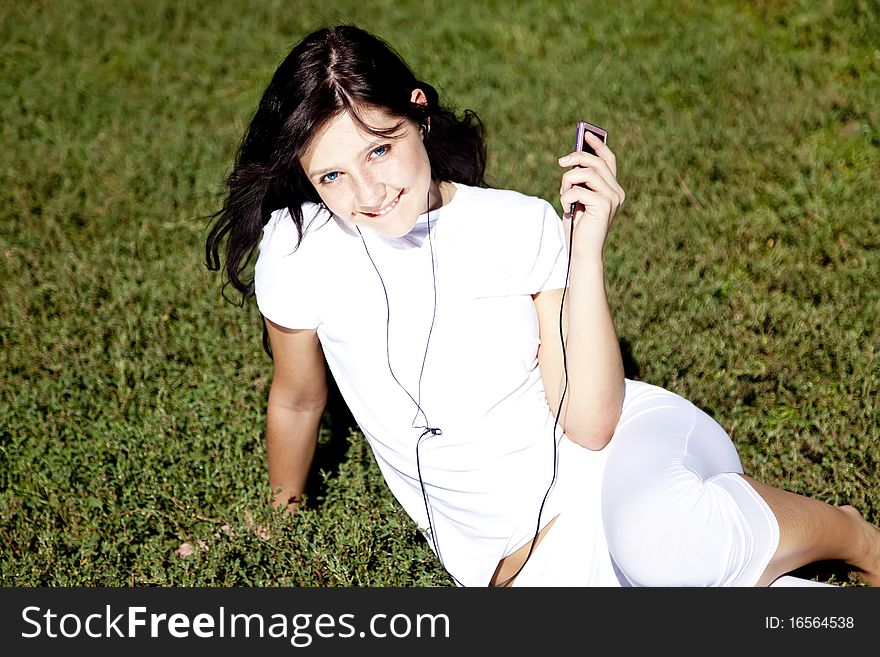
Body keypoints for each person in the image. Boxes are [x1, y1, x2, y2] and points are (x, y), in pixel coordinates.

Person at [205, 24, 880, 587]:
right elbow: (296, 398)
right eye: (332, 175)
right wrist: (278, 516)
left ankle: (853, 535)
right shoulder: (299, 252)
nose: (368, 192)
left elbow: (586, 423)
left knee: (664, 547)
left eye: (380, 148)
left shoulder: (515, 225)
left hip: (621, 458)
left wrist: (582, 254)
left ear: (419, 112)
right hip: (534, 568)